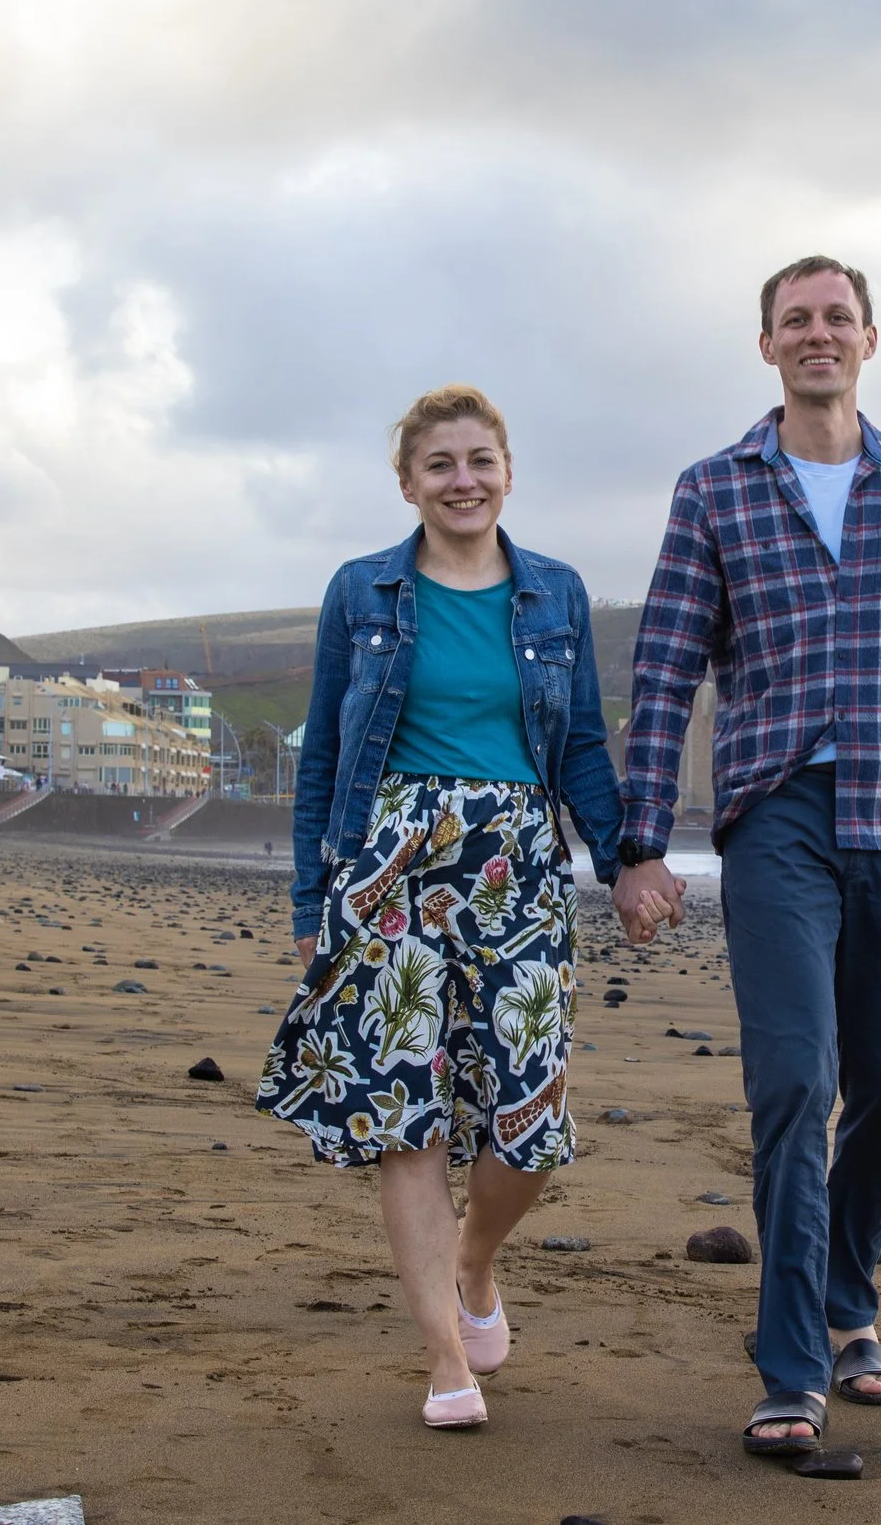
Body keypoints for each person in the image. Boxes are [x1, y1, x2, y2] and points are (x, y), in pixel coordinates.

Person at [613, 255, 881, 1458]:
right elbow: (665, 670)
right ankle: (790, 1362)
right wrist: (639, 845)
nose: (817, 335)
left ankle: (849, 1305)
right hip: (775, 813)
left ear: (869, 341)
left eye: (837, 317)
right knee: (794, 1081)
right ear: (768, 346)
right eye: (796, 320)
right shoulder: (713, 489)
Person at [258, 384, 630, 1431]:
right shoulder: (362, 590)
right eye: (439, 465)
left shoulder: (554, 592)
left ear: (507, 470)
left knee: (529, 1121)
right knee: (403, 1118)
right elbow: (325, 755)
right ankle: (442, 1360)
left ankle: (476, 1260)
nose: (461, 480)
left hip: (517, 866)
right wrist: (309, 895)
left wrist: (625, 855)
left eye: (479, 460)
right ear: (409, 481)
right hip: (388, 870)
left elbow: (586, 748)